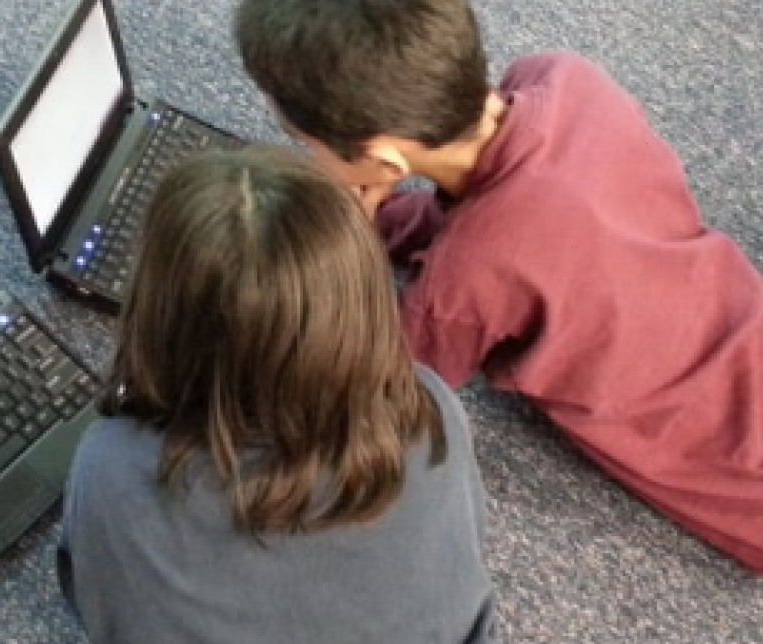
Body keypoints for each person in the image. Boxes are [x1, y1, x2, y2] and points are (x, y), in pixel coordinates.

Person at [232, 0, 763, 595]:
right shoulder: (564, 80)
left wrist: (343, 230)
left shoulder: (460, 289)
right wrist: (385, 212)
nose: (309, 160)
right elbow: (495, 215)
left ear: (382, 159)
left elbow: (379, 381)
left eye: (308, 147)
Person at [56, 145, 500, 643]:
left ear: (157, 311)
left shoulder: (112, 469)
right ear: (364, 296)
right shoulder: (431, 409)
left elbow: (92, 602)